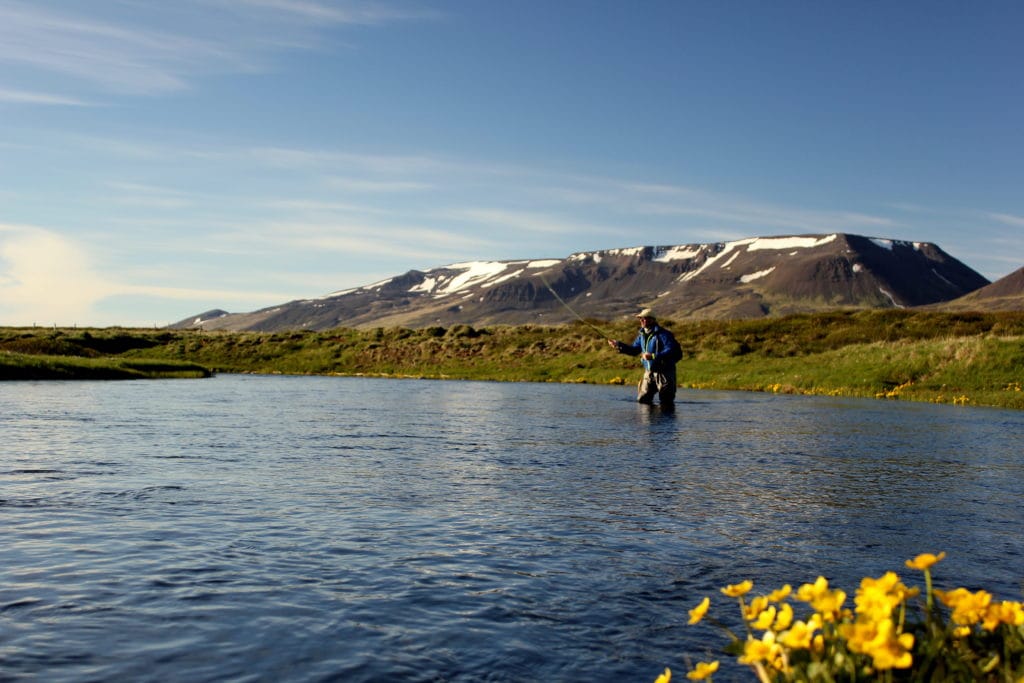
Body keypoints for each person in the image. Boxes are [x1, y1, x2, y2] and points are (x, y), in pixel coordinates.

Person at [607, 308, 681, 407]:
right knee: (643, 400)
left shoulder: (664, 334)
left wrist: (653, 356)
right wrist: (619, 345)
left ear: (652, 320)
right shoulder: (641, 335)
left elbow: (671, 349)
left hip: (665, 372)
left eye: (644, 318)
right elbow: (634, 350)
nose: (641, 321)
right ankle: (648, 421)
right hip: (649, 372)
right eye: (640, 319)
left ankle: (664, 422)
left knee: (666, 402)